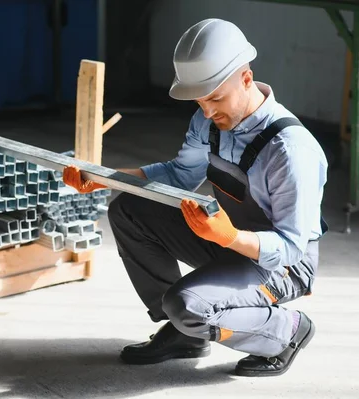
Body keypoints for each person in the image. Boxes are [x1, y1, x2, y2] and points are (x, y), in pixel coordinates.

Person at [62, 18, 328, 377]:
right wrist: (107, 178)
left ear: (246, 79)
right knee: (129, 209)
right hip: (226, 236)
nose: (206, 112)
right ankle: (184, 333)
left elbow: (292, 247)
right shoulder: (209, 120)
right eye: (200, 100)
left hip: (282, 265)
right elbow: (177, 176)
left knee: (186, 303)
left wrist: (229, 237)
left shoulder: (291, 151)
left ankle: (286, 331)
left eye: (215, 98)